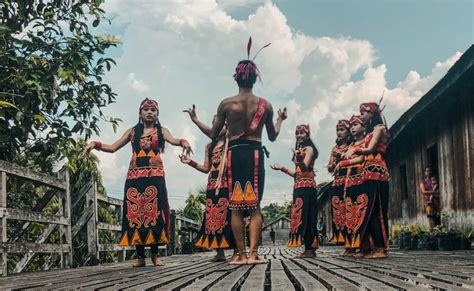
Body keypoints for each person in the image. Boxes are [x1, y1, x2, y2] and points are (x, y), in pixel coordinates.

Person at [82, 98, 192, 267]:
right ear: (140, 113)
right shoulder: (132, 132)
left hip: (155, 177)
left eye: (153, 110)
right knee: (135, 214)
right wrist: (94, 144)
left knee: (154, 214)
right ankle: (140, 257)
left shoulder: (162, 131)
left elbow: (175, 140)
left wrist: (184, 141)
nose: (150, 112)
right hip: (134, 177)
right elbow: (112, 147)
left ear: (157, 114)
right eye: (146, 109)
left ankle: (155, 255)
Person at [208, 37, 287, 265]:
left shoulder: (226, 104)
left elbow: (215, 134)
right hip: (254, 153)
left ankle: (240, 255)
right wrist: (280, 119)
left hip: (234, 153)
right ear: (254, 78)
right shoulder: (266, 105)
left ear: (236, 77)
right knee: (253, 206)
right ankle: (253, 254)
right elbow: (272, 136)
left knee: (234, 205)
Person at [179, 115, 236, 262]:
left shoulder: (232, 144)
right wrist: (189, 162)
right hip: (212, 185)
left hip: (228, 185)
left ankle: (237, 250)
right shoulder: (209, 147)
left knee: (230, 217)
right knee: (214, 218)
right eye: (214, 124)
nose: (217, 127)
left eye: (221, 124)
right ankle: (220, 252)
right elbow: (206, 168)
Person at [343, 100, 390, 259]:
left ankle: (381, 248)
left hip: (377, 170)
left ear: (372, 114)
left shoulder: (379, 128)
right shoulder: (370, 132)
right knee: (367, 211)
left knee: (376, 211)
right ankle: (368, 247)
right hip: (367, 172)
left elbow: (370, 149)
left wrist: (354, 150)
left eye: (363, 113)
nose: (361, 116)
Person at [271, 124, 319, 258]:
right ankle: (307, 247)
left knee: (308, 217)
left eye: (302, 133)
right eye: (297, 133)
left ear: (307, 135)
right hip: (298, 187)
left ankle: (310, 248)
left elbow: (304, 168)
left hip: (307, 188)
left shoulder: (309, 149)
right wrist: (282, 168)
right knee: (300, 217)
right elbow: (297, 174)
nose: (299, 135)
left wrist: (298, 158)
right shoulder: (299, 150)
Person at [334, 115, 366, 257]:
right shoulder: (352, 146)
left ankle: (364, 247)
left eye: (355, 125)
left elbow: (362, 159)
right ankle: (351, 246)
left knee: (361, 213)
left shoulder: (366, 141)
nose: (352, 128)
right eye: (351, 126)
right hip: (350, 180)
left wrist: (343, 162)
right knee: (350, 215)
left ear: (364, 127)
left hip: (362, 179)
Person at [327, 119, 351, 245]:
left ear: (348, 131)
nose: (339, 132)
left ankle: (351, 237)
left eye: (342, 130)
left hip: (349, 179)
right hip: (337, 181)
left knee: (349, 208)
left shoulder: (352, 146)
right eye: (337, 130)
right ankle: (340, 236)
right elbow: (330, 168)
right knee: (338, 210)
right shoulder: (334, 148)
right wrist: (335, 159)